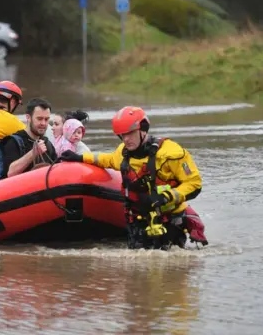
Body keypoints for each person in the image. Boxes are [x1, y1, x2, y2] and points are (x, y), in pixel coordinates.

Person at [59, 106, 208, 249]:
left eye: (130, 134)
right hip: (138, 221)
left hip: (169, 221)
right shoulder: (123, 152)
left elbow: (194, 184)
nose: (126, 139)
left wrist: (166, 197)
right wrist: (79, 157)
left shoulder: (171, 153)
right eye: (122, 135)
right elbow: (108, 159)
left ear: (143, 129)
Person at [3, 98, 58, 178]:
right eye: (39, 119)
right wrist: (33, 153)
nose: (43, 123)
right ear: (28, 117)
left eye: (46, 119)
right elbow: (10, 173)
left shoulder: (47, 143)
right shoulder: (13, 142)